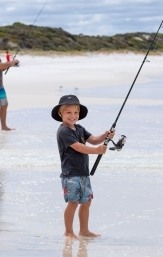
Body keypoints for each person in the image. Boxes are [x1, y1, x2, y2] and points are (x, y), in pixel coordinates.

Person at [51, 95, 115, 240]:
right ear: (61, 114)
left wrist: (105, 136)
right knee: (72, 202)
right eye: (68, 112)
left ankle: (84, 230)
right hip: (71, 174)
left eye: (76, 113)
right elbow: (78, 147)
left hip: (83, 172)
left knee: (86, 201)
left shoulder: (79, 128)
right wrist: (97, 151)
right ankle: (68, 232)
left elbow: (93, 140)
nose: (73, 116)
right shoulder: (63, 131)